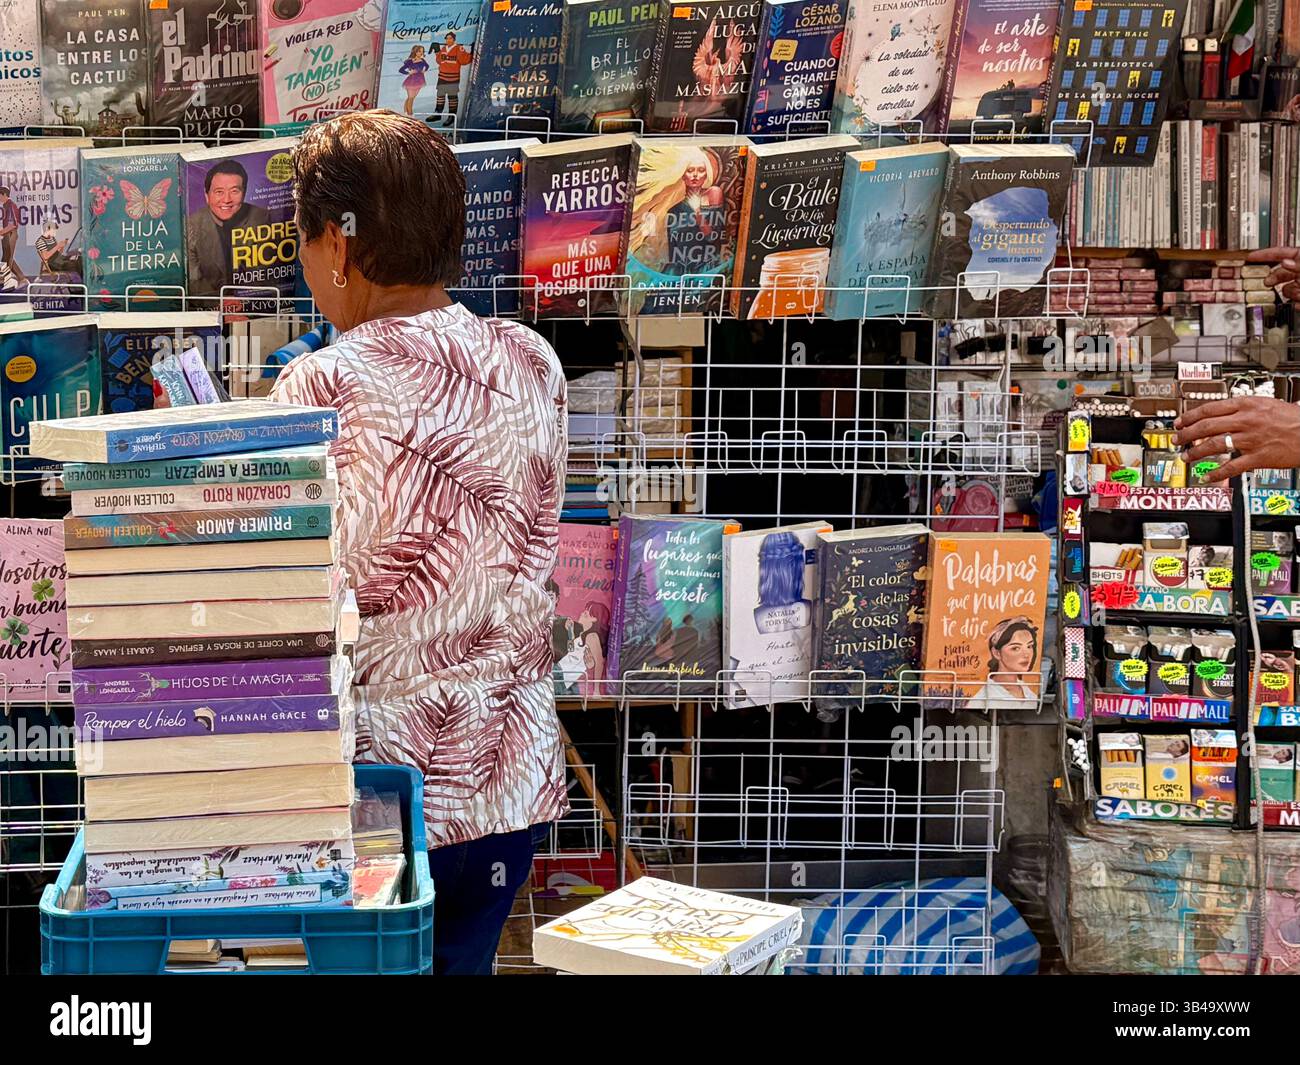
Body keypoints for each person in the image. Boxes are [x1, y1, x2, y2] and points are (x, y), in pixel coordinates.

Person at [270, 110, 568, 975]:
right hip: (512, 781)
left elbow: (297, 596)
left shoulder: (319, 385)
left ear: (337, 240)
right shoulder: (530, 359)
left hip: (382, 798)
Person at [185, 158, 272, 296]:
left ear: (244, 193)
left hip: (251, 305)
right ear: (206, 195)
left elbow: (266, 275)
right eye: (219, 192)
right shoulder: (191, 226)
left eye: (234, 191)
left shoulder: (262, 218)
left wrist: (244, 303)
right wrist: (222, 304)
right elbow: (195, 281)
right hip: (211, 309)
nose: (226, 200)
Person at [963, 617, 1041, 710]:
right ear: (996, 653)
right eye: (1016, 648)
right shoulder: (981, 700)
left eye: (1029, 646)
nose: (1026, 654)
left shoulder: (1028, 692)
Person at [432, 33, 472, 123]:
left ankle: (451, 117)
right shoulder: (444, 48)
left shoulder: (458, 48)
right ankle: (437, 114)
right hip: (442, 76)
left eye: (450, 38)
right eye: (447, 39)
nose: (448, 40)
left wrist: (472, 52)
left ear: (454, 39)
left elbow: (464, 61)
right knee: (440, 95)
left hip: (453, 78)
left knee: (452, 97)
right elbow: (440, 61)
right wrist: (437, 51)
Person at [0, 186, 26, 286]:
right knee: (7, 256)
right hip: (7, 234)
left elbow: (13, 224)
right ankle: (22, 278)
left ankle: (4, 281)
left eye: (0, 196)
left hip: (11, 234)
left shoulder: (10, 205)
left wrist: (2, 232)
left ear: (4, 195)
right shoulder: (6, 205)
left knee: (7, 258)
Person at [398, 45, 430, 117]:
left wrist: (424, 70)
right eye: (419, 51)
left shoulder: (423, 60)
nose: (421, 53)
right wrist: (409, 72)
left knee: (411, 97)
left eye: (422, 51)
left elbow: (427, 66)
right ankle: (410, 114)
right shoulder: (410, 61)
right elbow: (401, 70)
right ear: (415, 52)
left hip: (420, 80)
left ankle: (406, 112)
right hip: (411, 81)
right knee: (411, 98)